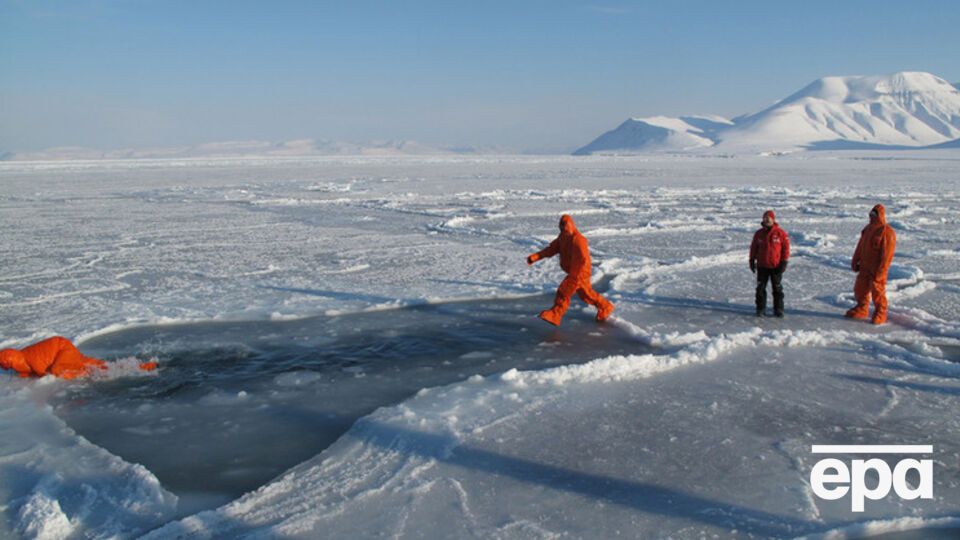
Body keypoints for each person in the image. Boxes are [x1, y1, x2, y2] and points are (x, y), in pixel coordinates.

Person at [527, 214, 614, 326]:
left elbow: (584, 259)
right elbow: (551, 249)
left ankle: (555, 315)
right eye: (561, 226)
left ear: (570, 225)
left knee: (564, 291)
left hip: (579, 272)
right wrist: (535, 257)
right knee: (586, 294)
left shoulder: (578, 240)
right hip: (575, 271)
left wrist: (576, 275)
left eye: (564, 226)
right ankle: (605, 306)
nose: (562, 228)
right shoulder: (562, 238)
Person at [0, 336, 157, 379]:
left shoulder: (30, 359)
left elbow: (42, 372)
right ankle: (138, 366)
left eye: (4, 364)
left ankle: (139, 368)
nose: (4, 368)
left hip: (62, 348)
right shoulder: (23, 358)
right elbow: (30, 370)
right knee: (93, 364)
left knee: (59, 371)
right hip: (61, 348)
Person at [845, 203, 897, 325]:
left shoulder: (887, 232)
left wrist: (881, 271)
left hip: (876, 268)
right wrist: (855, 260)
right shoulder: (867, 229)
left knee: (877, 291)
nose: (873, 216)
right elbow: (860, 246)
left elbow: (887, 255)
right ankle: (862, 308)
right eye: (871, 213)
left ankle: (881, 312)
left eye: (875, 214)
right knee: (860, 289)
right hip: (864, 266)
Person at [749, 210, 790, 317]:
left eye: (769, 218)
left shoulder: (780, 233)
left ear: (773, 219)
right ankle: (761, 309)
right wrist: (752, 260)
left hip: (776, 266)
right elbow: (753, 247)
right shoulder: (758, 233)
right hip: (762, 266)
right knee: (760, 288)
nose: (766, 220)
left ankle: (778, 309)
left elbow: (786, 249)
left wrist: (784, 262)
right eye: (765, 218)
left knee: (777, 288)